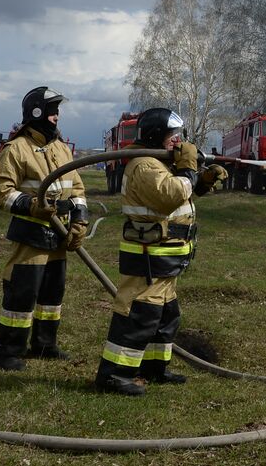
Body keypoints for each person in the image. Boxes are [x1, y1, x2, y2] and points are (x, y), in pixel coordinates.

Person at [94, 108, 227, 396]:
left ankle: (153, 368)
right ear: (156, 135)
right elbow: (170, 196)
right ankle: (114, 374)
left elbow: (181, 194)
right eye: (172, 136)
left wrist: (201, 183)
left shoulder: (160, 163)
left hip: (165, 256)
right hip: (148, 255)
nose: (178, 142)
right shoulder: (144, 165)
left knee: (165, 315)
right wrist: (189, 169)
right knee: (139, 315)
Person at [0, 86, 89, 371]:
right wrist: (31, 205)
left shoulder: (60, 148)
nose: (56, 117)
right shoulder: (17, 149)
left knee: (52, 294)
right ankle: (9, 350)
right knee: (22, 292)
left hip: (60, 234)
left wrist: (80, 220)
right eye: (52, 111)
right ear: (37, 113)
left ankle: (45, 345)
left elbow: (76, 188)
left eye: (58, 111)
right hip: (30, 235)